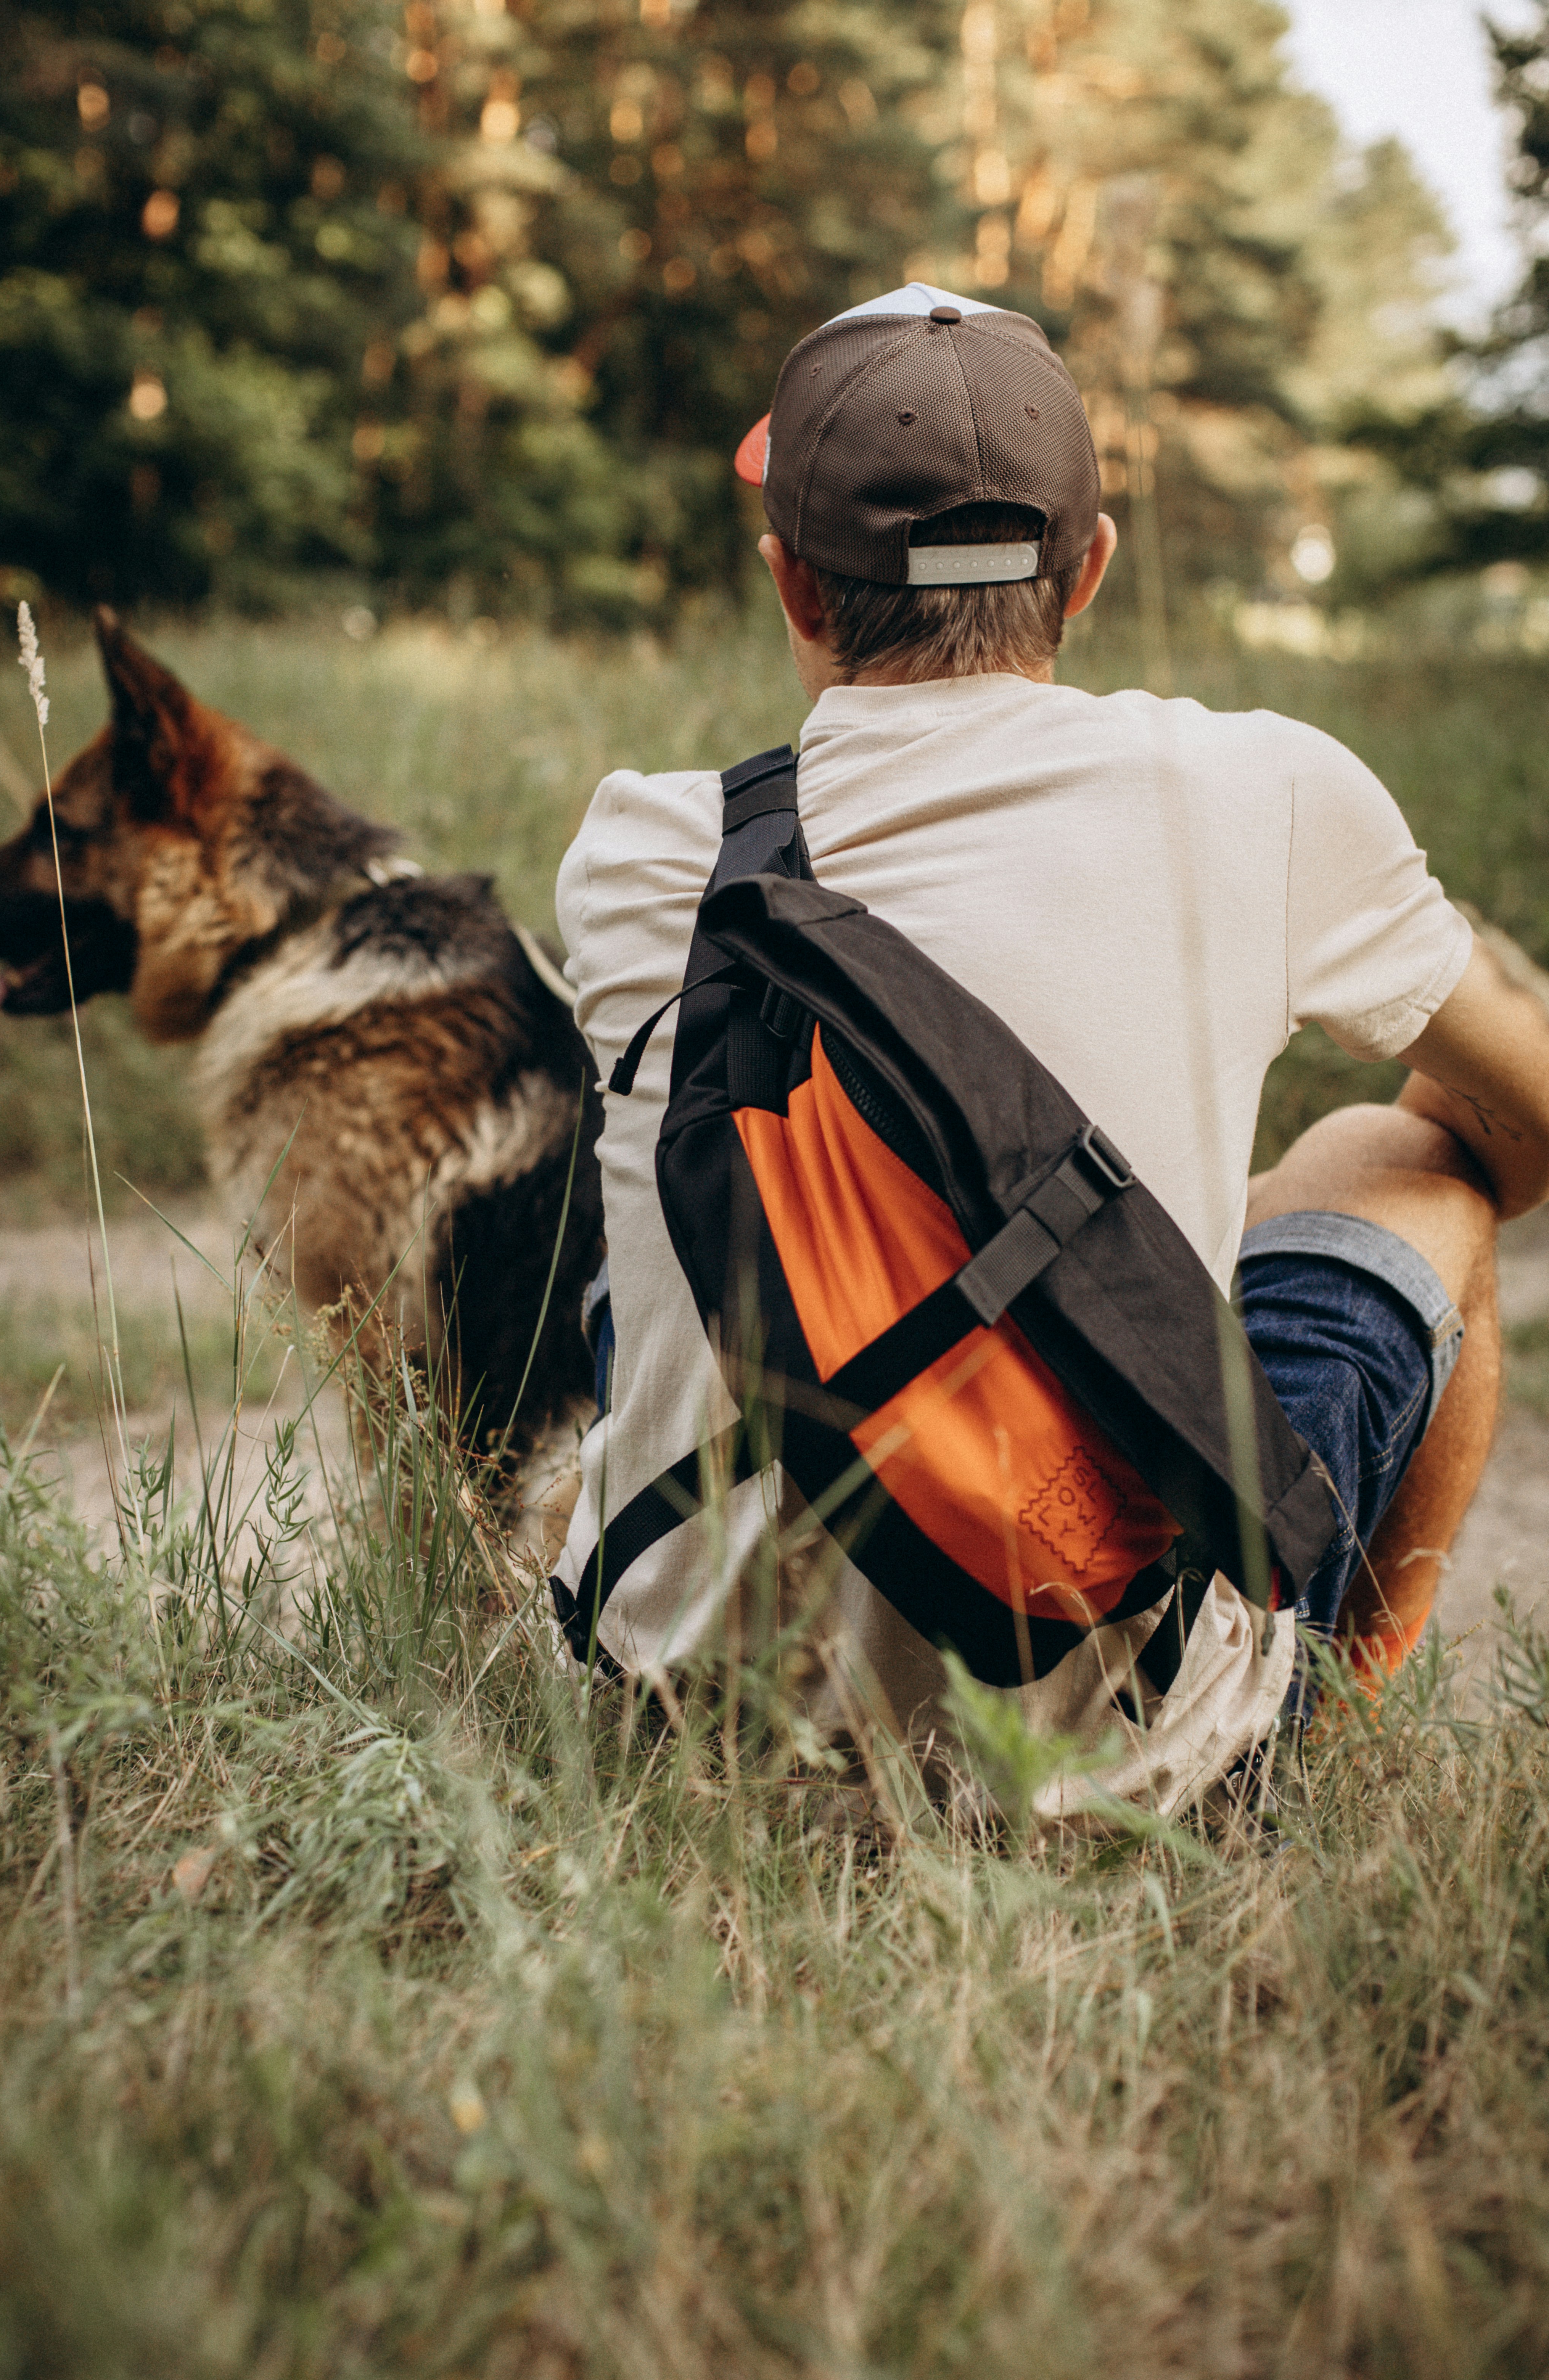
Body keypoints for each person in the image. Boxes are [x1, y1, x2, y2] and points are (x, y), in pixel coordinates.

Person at [550, 283, 1549, 1816]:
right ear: (1083, 571)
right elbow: (1527, 1118)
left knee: (684, 1163)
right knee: (1384, 1162)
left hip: (686, 1739)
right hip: (1103, 1744)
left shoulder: (641, 851)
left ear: (792, 590)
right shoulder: (1266, 792)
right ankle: (1312, 1731)